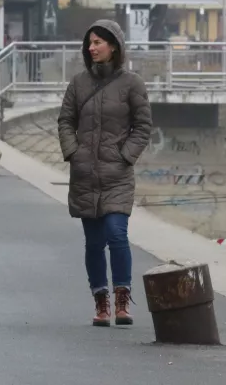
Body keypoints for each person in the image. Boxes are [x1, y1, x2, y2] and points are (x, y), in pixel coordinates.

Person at [57, 19, 152, 327]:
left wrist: (125, 156)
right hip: (85, 175)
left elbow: (143, 126)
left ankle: (122, 298)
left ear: (114, 46)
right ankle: (101, 302)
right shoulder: (78, 83)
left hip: (117, 175)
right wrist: (74, 152)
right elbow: (65, 121)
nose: (92, 48)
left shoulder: (132, 84)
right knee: (94, 242)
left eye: (98, 42)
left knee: (116, 234)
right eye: (90, 43)